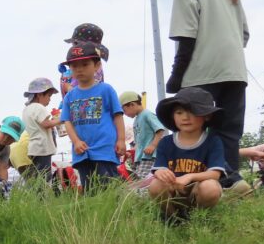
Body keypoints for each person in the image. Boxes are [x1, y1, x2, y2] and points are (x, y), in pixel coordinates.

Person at [159, 0, 249, 190]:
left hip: (201, 72)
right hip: (235, 71)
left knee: (194, 129)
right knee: (229, 130)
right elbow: (244, 35)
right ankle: (231, 182)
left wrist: (176, 76)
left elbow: (185, 35)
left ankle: (195, 188)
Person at [149, 87, 227, 222]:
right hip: (173, 190)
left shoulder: (213, 141)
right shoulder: (165, 142)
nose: (185, 117)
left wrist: (189, 177)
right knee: (156, 185)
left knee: (211, 187)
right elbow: (159, 169)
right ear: (173, 116)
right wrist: (161, 172)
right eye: (179, 112)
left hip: (198, 190)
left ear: (207, 115)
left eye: (192, 112)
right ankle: (172, 219)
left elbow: (215, 174)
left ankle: (199, 219)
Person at [61, 42, 125, 190]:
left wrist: (121, 140)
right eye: (74, 66)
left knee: (108, 187)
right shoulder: (70, 96)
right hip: (82, 151)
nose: (79, 69)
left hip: (104, 148)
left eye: (85, 64)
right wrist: (76, 141)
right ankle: (95, 214)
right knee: (89, 189)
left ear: (97, 66)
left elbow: (117, 115)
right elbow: (67, 121)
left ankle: (116, 213)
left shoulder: (106, 89)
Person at [22, 78, 62, 182]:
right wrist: (60, 120)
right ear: (39, 95)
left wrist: (53, 121)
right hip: (42, 147)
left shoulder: (27, 109)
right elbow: (45, 124)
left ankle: (40, 196)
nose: (49, 99)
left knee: (39, 175)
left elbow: (39, 124)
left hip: (34, 148)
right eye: (48, 96)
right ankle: (43, 197)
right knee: (45, 177)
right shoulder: (39, 107)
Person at [119, 91, 165, 180]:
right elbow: (138, 141)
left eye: (124, 111)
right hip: (140, 157)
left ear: (131, 105)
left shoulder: (147, 114)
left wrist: (153, 145)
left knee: (144, 180)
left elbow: (160, 130)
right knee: (139, 179)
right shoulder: (136, 120)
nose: (125, 114)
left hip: (149, 156)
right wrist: (132, 152)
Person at [58, 23, 110, 102]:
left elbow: (88, 90)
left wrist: (68, 87)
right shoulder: (94, 63)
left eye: (75, 44)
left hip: (84, 105)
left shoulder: (93, 66)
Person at [0, 116, 25, 197]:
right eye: (5, 134)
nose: (6, 139)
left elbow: (3, 168)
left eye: (11, 137)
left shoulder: (6, 149)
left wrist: (4, 184)